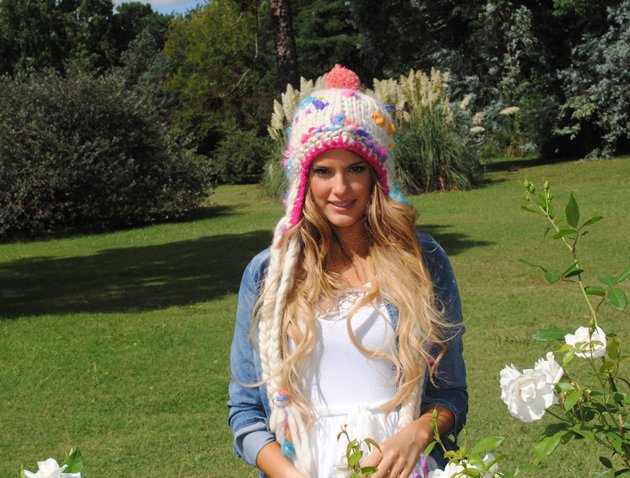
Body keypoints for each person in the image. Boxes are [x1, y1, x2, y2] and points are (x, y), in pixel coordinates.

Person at [228, 65, 467, 478]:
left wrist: (415, 435)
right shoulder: (268, 273)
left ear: (377, 175)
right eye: (323, 171)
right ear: (303, 179)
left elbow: (450, 394)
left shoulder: (422, 259)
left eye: (355, 168)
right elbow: (245, 414)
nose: (340, 188)